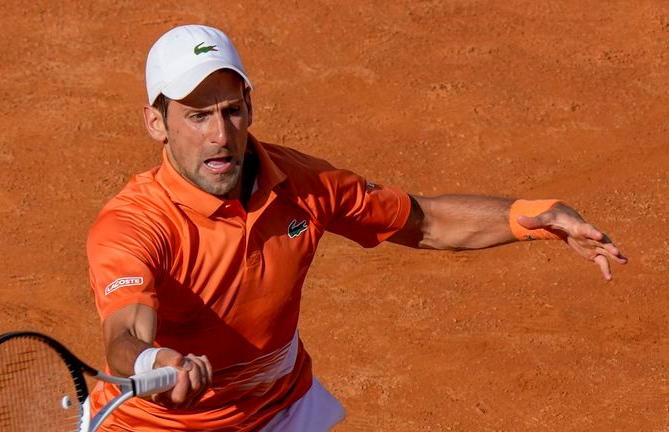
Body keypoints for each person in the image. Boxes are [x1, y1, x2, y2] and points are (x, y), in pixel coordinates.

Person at [85, 24, 627, 431]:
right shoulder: (133, 225)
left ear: (250, 106)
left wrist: (537, 215)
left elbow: (427, 221)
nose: (220, 136)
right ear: (157, 123)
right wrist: (157, 362)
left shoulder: (304, 184)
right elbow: (124, 336)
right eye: (197, 116)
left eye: (231, 110)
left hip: (276, 408)